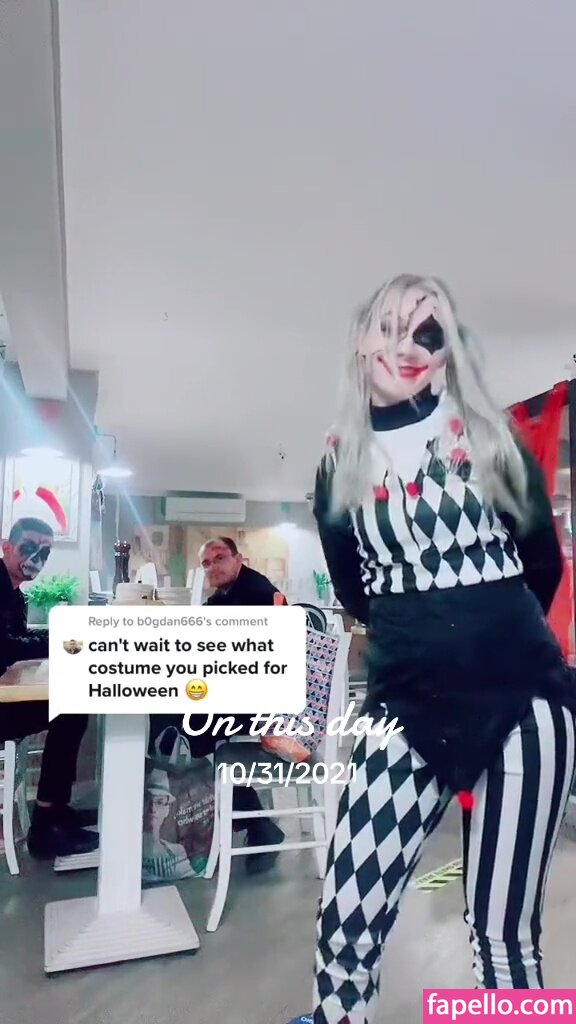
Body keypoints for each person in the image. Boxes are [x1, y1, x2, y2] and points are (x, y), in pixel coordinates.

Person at [290, 274, 576, 1023]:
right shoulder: (338, 466)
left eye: (429, 333)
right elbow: (355, 590)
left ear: (448, 354)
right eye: (390, 326)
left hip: (526, 703)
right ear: (362, 340)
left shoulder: (492, 442)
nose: (408, 345)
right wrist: (427, 629)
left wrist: (475, 625)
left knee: (505, 941)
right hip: (405, 709)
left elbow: (542, 567)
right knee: (345, 925)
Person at [149, 537, 285, 874]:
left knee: (186, 724)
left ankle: (248, 821)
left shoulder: (256, 593)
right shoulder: (227, 595)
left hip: (265, 702)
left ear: (239, 559)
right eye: (206, 563)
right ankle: (237, 816)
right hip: (244, 693)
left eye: (219, 558)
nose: (212, 567)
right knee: (175, 718)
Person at [0, 517, 98, 859]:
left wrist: (65, 634)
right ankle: (46, 825)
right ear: (7, 547)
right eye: (28, 547)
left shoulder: (14, 593)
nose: (36, 558)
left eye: (44, 551)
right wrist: (61, 641)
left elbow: (19, 638)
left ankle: (57, 809)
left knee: (74, 707)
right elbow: (6, 648)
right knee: (69, 711)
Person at [142, 770, 197, 884]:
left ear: (167, 810)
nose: (152, 809)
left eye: (159, 802)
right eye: (147, 801)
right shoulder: (127, 849)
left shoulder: (177, 851)